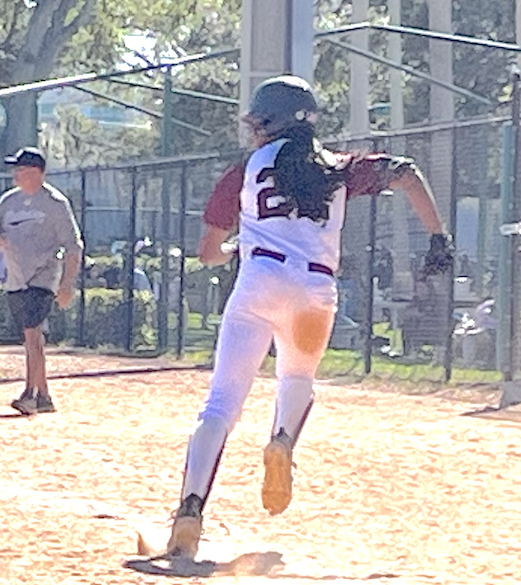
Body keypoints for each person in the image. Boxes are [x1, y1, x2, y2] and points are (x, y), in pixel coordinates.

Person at [164, 76, 453, 558]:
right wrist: (438, 238)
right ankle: (282, 440)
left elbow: (208, 253)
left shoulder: (244, 171)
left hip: (258, 283)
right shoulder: (338, 168)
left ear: (267, 124)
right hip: (316, 290)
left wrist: (242, 245)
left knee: (221, 405)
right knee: (297, 377)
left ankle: (190, 511)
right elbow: (405, 172)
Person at [0, 147, 83, 415]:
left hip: (43, 276)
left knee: (32, 332)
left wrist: (66, 285)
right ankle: (45, 396)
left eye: (21, 169)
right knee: (31, 337)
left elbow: (74, 247)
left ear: (37, 172)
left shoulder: (55, 204)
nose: (16, 173)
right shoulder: (9, 201)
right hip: (15, 277)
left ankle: (30, 393)